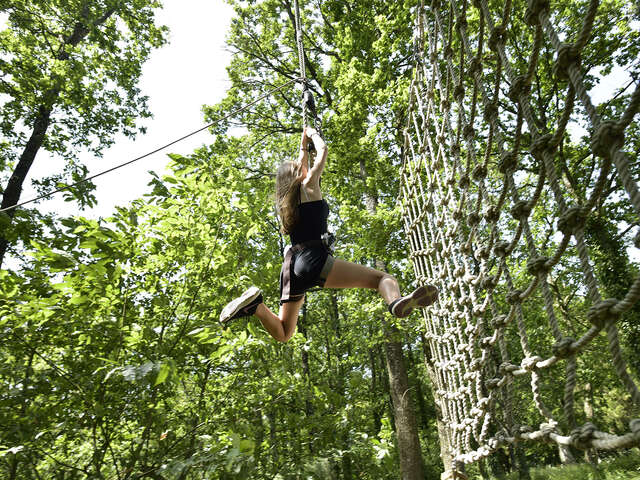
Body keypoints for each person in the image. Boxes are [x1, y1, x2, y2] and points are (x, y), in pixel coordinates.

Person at [219, 126, 438, 342]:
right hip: (314, 260)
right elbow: (323, 151)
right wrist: (313, 133)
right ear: (298, 174)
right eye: (300, 165)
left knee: (285, 333)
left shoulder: (287, 201)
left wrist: (304, 144)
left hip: (293, 265)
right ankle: (395, 302)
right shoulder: (309, 185)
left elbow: (302, 163)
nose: (303, 164)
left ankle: (256, 306)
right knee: (383, 278)